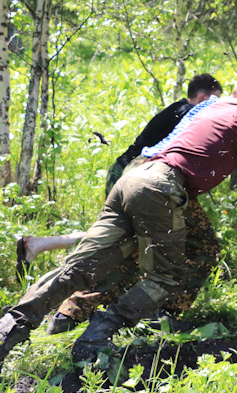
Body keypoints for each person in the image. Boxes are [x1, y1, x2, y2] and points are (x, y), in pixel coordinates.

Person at [0, 77, 237, 371]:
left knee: (81, 266)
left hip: (134, 177)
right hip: (161, 188)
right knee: (167, 275)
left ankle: (11, 326)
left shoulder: (229, 104)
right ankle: (98, 335)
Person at [42, 73, 237, 335]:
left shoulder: (199, 109)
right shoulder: (218, 110)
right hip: (155, 180)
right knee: (192, 248)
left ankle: (72, 311)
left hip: (138, 175)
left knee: (130, 246)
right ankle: (160, 312)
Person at [15, 74, 224, 279]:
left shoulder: (177, 110)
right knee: (117, 236)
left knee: (119, 233)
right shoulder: (188, 114)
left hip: (127, 172)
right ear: (204, 99)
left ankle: (39, 246)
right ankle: (65, 274)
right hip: (134, 174)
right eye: (215, 100)